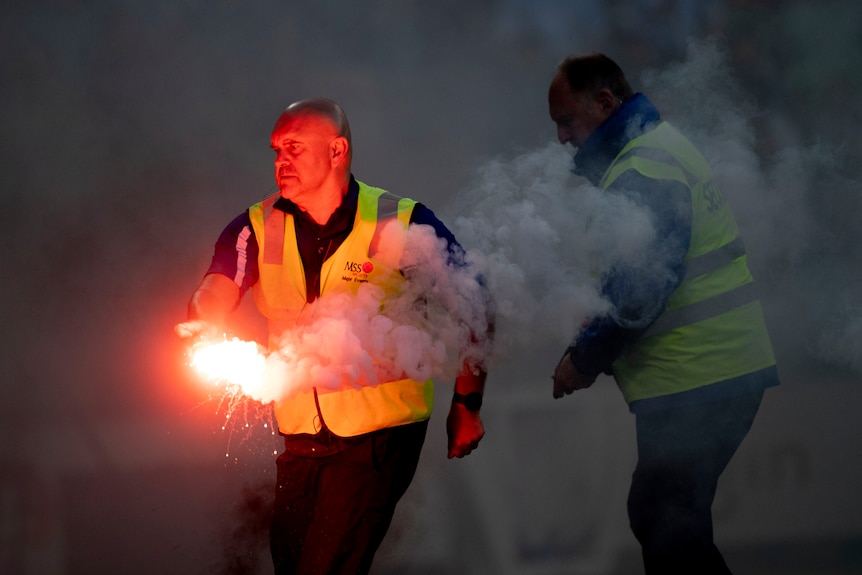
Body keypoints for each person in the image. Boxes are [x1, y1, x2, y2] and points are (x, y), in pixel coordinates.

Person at [175, 98, 491, 575]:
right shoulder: (256, 226)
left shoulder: (401, 221)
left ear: (337, 150)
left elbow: (476, 304)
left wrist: (467, 406)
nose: (281, 161)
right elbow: (217, 285)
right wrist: (202, 320)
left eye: (295, 148)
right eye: (276, 150)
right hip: (302, 440)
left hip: (379, 439)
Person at [547, 54, 779, 574]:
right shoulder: (653, 149)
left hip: (702, 377)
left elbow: (638, 293)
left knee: (665, 516)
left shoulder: (644, 164)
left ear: (605, 103)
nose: (562, 137)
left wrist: (583, 361)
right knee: (667, 516)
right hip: (709, 374)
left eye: (567, 121)